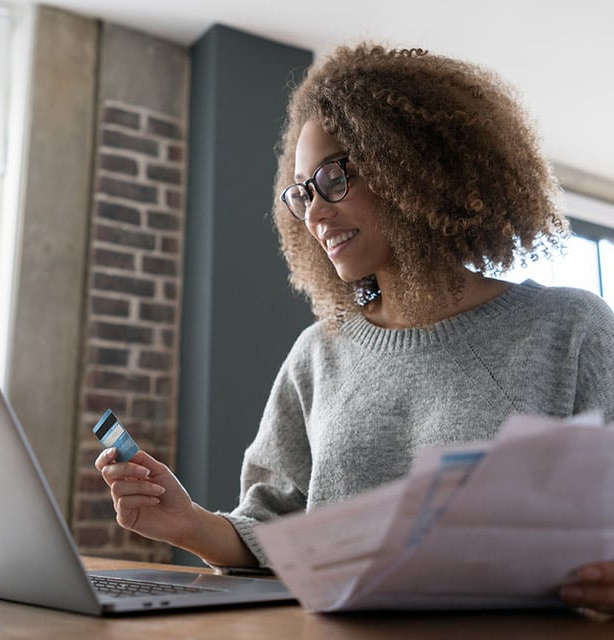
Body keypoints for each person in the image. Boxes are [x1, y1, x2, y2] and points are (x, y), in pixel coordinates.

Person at [96, 43, 614, 612]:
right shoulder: (319, 353)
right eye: (301, 192)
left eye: (334, 176)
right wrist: (187, 523)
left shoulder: (571, 329)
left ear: (413, 166)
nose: (315, 212)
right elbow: (276, 529)